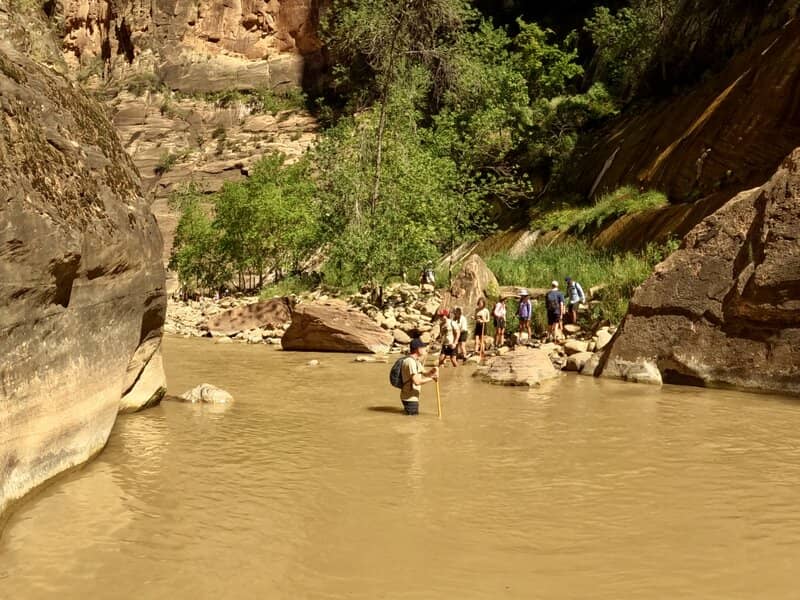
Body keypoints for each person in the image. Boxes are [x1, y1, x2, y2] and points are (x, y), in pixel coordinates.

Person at [400, 338, 439, 415]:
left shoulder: (416, 361)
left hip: (412, 397)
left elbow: (425, 373)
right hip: (409, 398)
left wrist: (432, 371)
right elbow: (417, 382)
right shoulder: (410, 362)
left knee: (411, 419)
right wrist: (432, 378)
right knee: (412, 422)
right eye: (423, 347)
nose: (425, 349)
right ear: (417, 349)